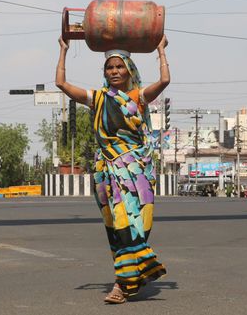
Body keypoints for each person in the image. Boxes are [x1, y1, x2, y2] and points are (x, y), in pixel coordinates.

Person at [56, 34, 170, 304]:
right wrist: (63, 50)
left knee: (136, 225)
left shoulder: (138, 98)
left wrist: (161, 51)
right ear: (105, 72)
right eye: (110, 67)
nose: (115, 71)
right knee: (118, 226)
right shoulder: (97, 99)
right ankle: (124, 282)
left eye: (120, 67)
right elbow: (61, 84)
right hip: (108, 173)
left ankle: (128, 278)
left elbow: (164, 81)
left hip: (137, 172)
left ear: (129, 70)